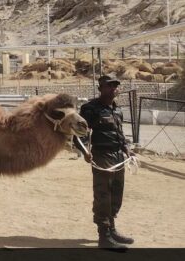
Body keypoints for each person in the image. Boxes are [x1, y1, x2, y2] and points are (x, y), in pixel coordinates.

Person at [74, 74, 134, 249]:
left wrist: (126, 148)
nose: (114, 88)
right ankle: (104, 236)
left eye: (115, 85)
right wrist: (85, 152)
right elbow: (79, 134)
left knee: (116, 195)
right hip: (102, 156)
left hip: (118, 158)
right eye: (109, 85)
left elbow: (119, 134)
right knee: (103, 196)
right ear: (101, 88)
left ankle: (112, 228)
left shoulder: (117, 109)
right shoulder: (90, 109)